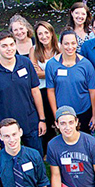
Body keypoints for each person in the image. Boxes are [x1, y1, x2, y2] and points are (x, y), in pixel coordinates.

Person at [0, 30, 46, 153]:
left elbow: (35, 91)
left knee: (35, 157)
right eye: (4, 46)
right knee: (10, 163)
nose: (9, 49)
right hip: (6, 128)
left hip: (30, 122)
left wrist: (42, 119)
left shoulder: (25, 63)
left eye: (11, 44)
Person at [46, 30, 95, 133]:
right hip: (63, 112)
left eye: (73, 43)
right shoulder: (52, 64)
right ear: (60, 44)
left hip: (83, 111)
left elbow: (93, 91)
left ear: (77, 43)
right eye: (66, 43)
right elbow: (50, 91)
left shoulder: (86, 64)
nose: (70, 47)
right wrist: (56, 114)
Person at [30, 21, 60, 154]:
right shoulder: (34, 50)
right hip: (42, 89)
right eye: (40, 34)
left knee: (58, 116)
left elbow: (64, 70)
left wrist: (45, 73)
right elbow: (34, 74)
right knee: (47, 118)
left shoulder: (60, 48)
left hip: (59, 89)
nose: (44, 36)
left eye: (46, 32)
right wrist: (54, 72)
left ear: (52, 33)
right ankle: (48, 150)